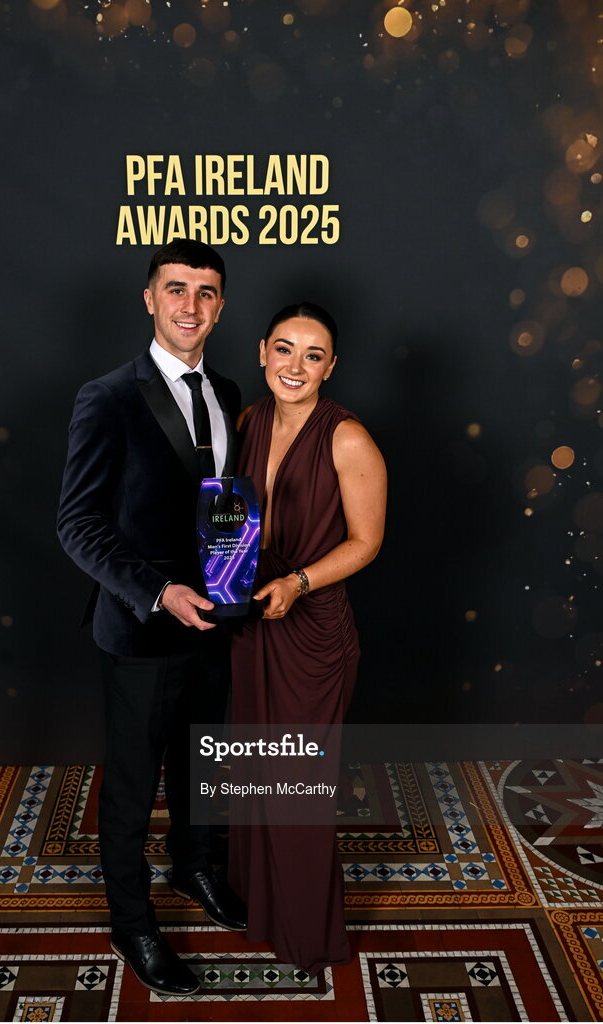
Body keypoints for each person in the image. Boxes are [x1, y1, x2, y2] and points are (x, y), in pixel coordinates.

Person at [57, 239, 247, 997]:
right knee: (133, 788)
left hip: (217, 623)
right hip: (140, 627)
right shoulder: (106, 396)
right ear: (149, 298)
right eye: (176, 290)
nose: (190, 307)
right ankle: (131, 921)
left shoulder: (230, 392)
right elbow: (77, 524)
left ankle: (197, 868)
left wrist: (240, 577)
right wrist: (157, 591)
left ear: (220, 306)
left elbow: (224, 505)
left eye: (205, 293)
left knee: (206, 765)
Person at [228, 302, 387, 976]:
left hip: (312, 634)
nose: (295, 366)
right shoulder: (247, 421)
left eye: (312, 354)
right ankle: (256, 908)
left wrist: (296, 581)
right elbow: (233, 516)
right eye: (284, 349)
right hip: (249, 622)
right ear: (262, 351)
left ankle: (305, 934)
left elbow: (366, 542)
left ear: (331, 366)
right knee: (254, 775)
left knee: (296, 786)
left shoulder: (347, 437)